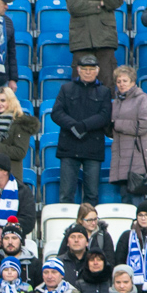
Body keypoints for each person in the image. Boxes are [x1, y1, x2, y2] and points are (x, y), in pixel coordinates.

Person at [50, 55, 111, 207]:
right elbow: (56, 113)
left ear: (97, 71)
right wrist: (73, 125)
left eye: (91, 69)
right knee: (66, 194)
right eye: (84, 69)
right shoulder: (66, 88)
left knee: (92, 194)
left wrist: (83, 126)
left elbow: (105, 116)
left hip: (93, 148)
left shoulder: (104, 91)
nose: (88, 72)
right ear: (78, 70)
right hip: (69, 146)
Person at [67, 0, 123, 81]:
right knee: (79, 84)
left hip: (105, 39)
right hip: (82, 39)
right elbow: (73, 6)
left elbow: (115, 2)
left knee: (107, 83)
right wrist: (99, 4)